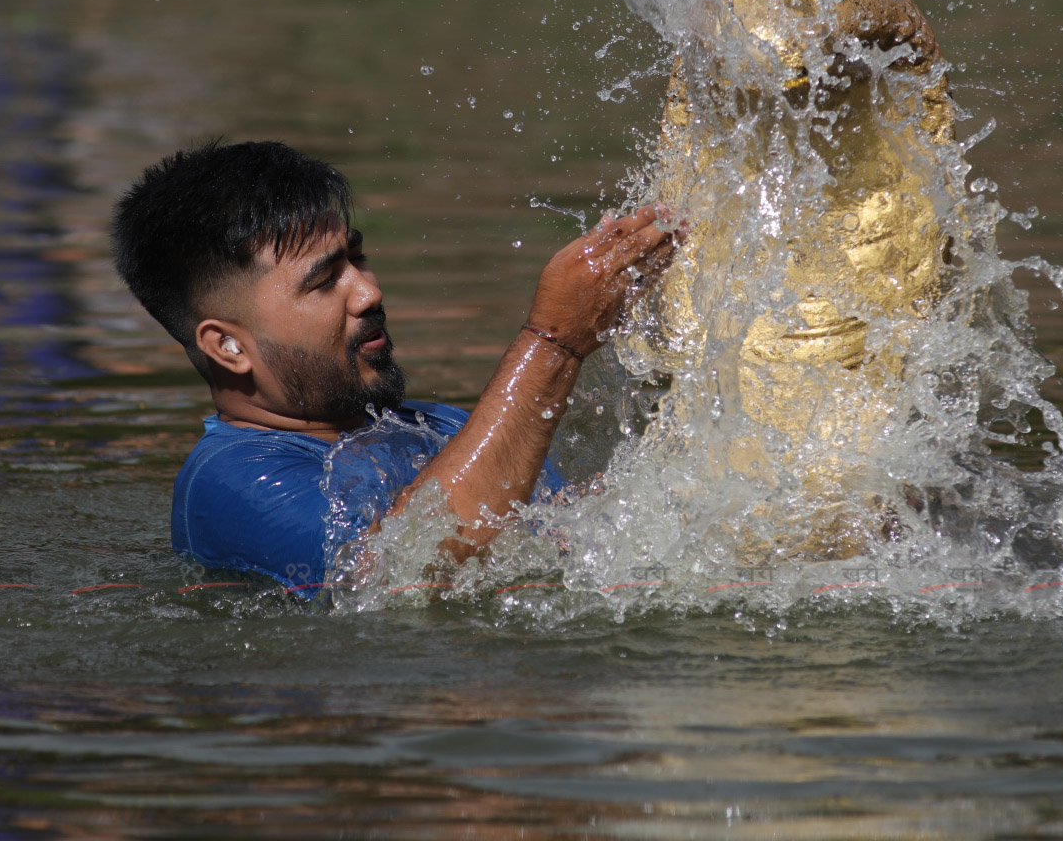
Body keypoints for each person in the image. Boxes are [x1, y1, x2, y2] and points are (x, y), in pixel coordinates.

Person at [111, 139, 678, 592]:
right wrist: (554, 344)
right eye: (325, 278)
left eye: (357, 257)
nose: (368, 290)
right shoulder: (229, 483)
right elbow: (402, 580)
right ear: (228, 347)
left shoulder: (442, 427)